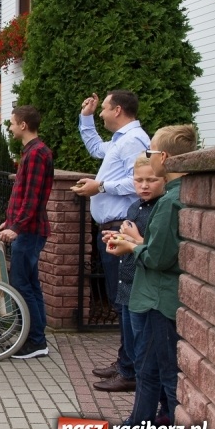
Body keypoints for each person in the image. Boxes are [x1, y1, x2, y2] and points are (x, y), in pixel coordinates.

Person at [97, 125, 198, 429]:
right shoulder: (182, 192)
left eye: (151, 150)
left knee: (166, 376)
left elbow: (158, 257)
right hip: (152, 298)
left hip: (158, 300)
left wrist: (132, 245)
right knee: (149, 372)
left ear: (164, 157)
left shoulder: (170, 201)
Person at [73, 90, 150, 385]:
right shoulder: (122, 140)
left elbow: (139, 180)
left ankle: (129, 371)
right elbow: (96, 150)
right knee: (120, 300)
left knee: (124, 301)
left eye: (104, 109)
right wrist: (87, 117)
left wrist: (100, 187)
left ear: (118, 110)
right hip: (113, 226)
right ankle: (124, 362)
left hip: (121, 227)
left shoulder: (133, 140)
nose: (102, 113)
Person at [95, 155, 165, 396]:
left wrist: (132, 239)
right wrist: (117, 239)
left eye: (151, 180)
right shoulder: (135, 206)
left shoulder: (161, 208)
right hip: (127, 285)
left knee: (142, 343)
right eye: (138, 180)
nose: (143, 185)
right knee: (128, 335)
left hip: (141, 287)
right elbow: (131, 241)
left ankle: (135, 379)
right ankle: (128, 372)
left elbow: (154, 249)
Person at [0, 106, 54, 359]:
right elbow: (22, 198)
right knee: (30, 285)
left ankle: (36, 341)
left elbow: (32, 199)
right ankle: (37, 338)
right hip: (26, 229)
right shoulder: (31, 152)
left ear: (23, 125)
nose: (9, 128)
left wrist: (16, 228)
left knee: (22, 285)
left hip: (29, 232)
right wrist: (7, 222)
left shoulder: (37, 153)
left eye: (12, 123)